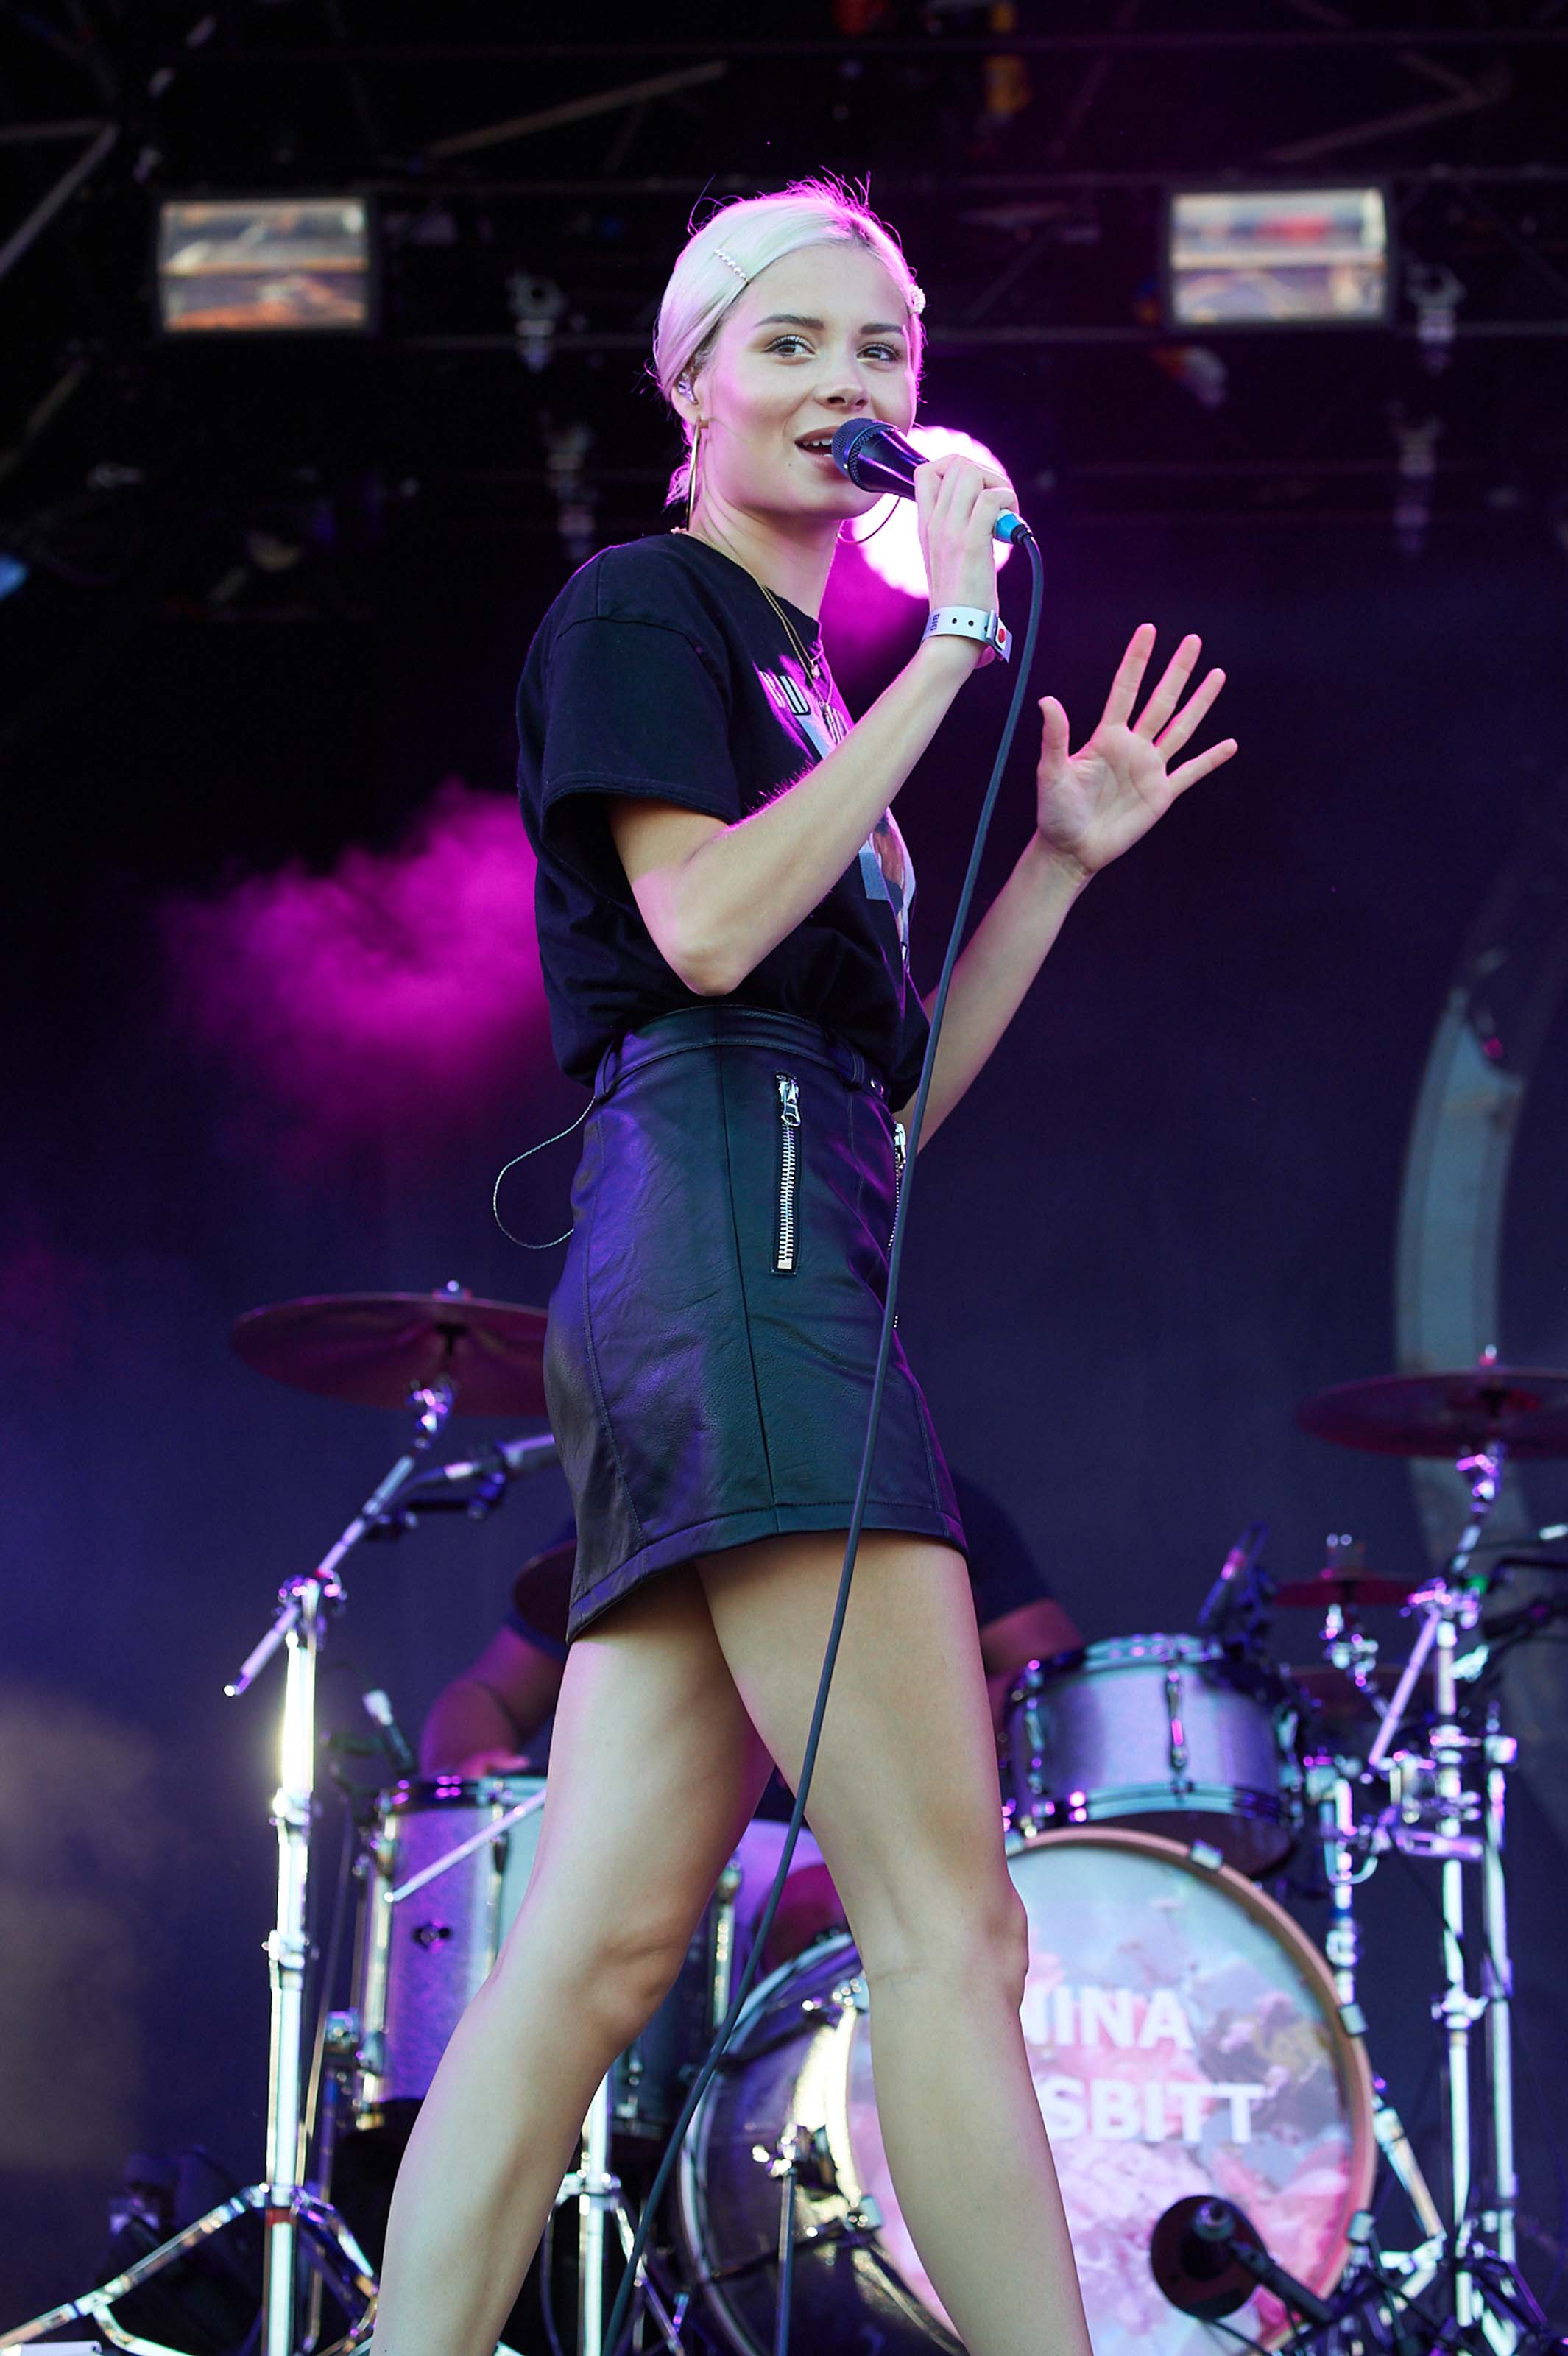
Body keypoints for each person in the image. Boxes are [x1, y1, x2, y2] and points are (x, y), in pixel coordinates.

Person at [367, 175, 1235, 2356]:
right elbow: (697, 931)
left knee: (588, 1952)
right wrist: (945, 652)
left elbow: (888, 1102)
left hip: (755, 1254)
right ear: (689, 386)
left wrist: (1047, 867)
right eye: (793, 343)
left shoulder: (815, 702)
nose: (849, 384)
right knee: (954, 1928)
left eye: (883, 354)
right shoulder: (646, 608)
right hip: (731, 1272)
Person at [417, 1480, 1082, 1971]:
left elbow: (1051, 1685)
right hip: (658, 1839)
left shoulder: (924, 1497)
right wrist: (467, 1767)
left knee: (867, 1919)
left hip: (841, 1844)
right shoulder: (639, 1501)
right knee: (551, 1919)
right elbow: (488, 1694)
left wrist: (895, 1719)